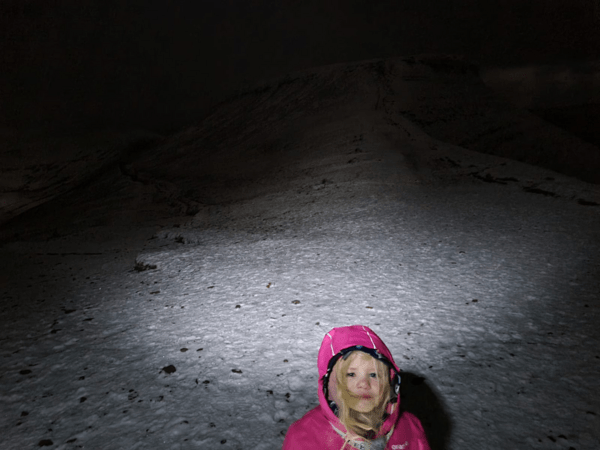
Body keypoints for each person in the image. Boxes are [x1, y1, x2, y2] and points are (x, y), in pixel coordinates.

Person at [282, 325, 431, 450]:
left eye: (374, 375)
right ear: (330, 383)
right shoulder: (305, 436)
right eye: (351, 374)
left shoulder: (408, 426)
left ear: (389, 382)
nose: (364, 384)